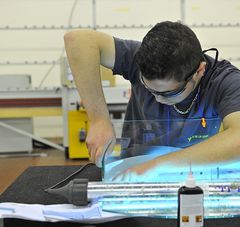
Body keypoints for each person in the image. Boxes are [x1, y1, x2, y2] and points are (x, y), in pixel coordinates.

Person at [64, 21, 240, 181]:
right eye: (149, 88)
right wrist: (98, 119)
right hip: (133, 172)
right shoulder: (141, 59)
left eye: (168, 93)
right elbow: (78, 40)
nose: (157, 98)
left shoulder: (225, 81)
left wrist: (157, 165)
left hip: (194, 174)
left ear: (199, 71)